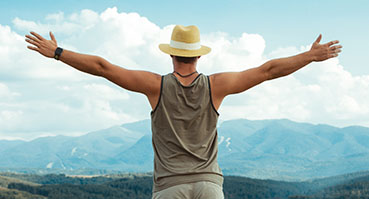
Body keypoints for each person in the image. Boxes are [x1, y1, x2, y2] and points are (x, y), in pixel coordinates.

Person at [25, 25, 342, 199]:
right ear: (197, 56)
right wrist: (310, 56)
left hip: (169, 187)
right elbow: (268, 70)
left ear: (172, 54)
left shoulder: (155, 86)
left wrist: (58, 53)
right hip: (209, 186)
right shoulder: (216, 86)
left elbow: (102, 67)